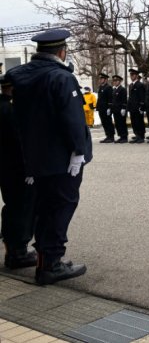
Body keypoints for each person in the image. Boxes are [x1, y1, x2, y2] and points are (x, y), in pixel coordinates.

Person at [7, 28, 90, 284]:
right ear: (61, 51)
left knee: (44, 208)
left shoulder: (20, 76)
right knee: (61, 207)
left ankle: (44, 258)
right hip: (61, 158)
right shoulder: (61, 78)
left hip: (34, 156)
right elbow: (73, 119)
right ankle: (51, 264)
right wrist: (79, 151)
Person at [0, 75, 36, 269]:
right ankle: (18, 253)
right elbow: (20, 142)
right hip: (17, 168)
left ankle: (10, 249)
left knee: (10, 207)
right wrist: (30, 167)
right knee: (22, 208)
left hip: (4, 168)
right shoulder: (12, 110)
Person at [127, 68, 146, 143]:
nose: (132, 76)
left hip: (138, 107)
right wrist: (128, 107)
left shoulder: (140, 85)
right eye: (131, 75)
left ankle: (141, 136)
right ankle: (137, 134)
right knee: (134, 122)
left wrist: (142, 106)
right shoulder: (131, 85)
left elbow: (142, 97)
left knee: (139, 121)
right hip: (132, 107)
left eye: (133, 75)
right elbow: (130, 97)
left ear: (137, 76)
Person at [96, 73, 114, 143]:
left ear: (106, 80)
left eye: (102, 79)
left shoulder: (108, 87)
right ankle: (107, 136)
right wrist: (98, 107)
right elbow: (100, 98)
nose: (100, 80)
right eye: (100, 79)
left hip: (106, 108)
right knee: (104, 122)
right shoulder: (101, 87)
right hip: (101, 108)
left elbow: (110, 98)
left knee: (108, 122)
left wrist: (109, 108)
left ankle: (111, 136)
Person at [110, 75, 128, 143]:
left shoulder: (122, 89)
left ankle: (124, 137)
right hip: (115, 109)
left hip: (120, 109)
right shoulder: (114, 89)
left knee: (122, 123)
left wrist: (123, 108)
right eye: (114, 81)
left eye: (116, 81)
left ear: (119, 81)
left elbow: (124, 100)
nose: (115, 82)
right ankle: (120, 136)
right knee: (117, 124)